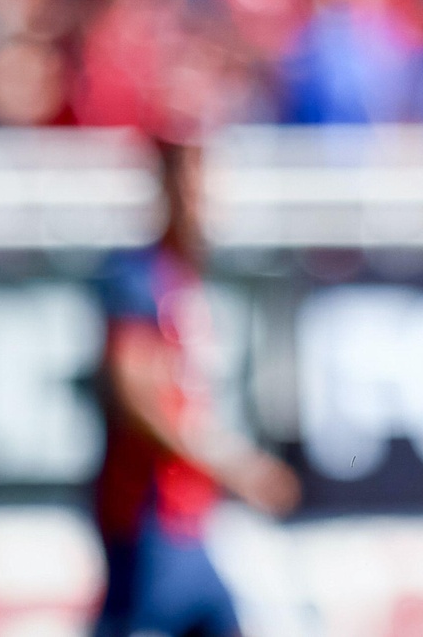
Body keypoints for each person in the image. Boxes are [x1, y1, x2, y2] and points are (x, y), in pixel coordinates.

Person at [92, 138, 300, 637]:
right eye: (190, 190)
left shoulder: (181, 280)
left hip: (184, 523)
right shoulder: (136, 279)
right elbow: (137, 398)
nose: (201, 205)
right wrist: (234, 465)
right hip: (148, 520)